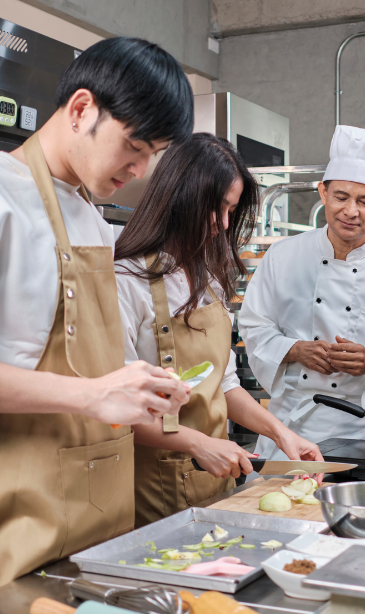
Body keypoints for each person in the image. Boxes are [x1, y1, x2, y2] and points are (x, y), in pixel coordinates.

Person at [0, 37, 193, 602]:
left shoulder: (95, 223)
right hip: (18, 516)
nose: (142, 170)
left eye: (154, 155)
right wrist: (90, 395)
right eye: (135, 146)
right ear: (80, 110)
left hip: (100, 516)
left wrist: (138, 385)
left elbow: (99, 364)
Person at [113, 133, 324, 527]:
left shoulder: (205, 278)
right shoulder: (126, 279)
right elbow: (117, 410)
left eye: (231, 211)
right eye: (218, 209)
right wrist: (199, 443)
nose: (223, 225)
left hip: (214, 484)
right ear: (181, 197)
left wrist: (282, 436)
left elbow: (224, 386)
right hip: (151, 493)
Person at [238, 126, 365, 459]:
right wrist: (295, 349)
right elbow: (253, 326)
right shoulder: (282, 256)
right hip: (286, 430)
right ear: (323, 192)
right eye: (341, 197)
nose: (350, 211)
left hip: (357, 436)